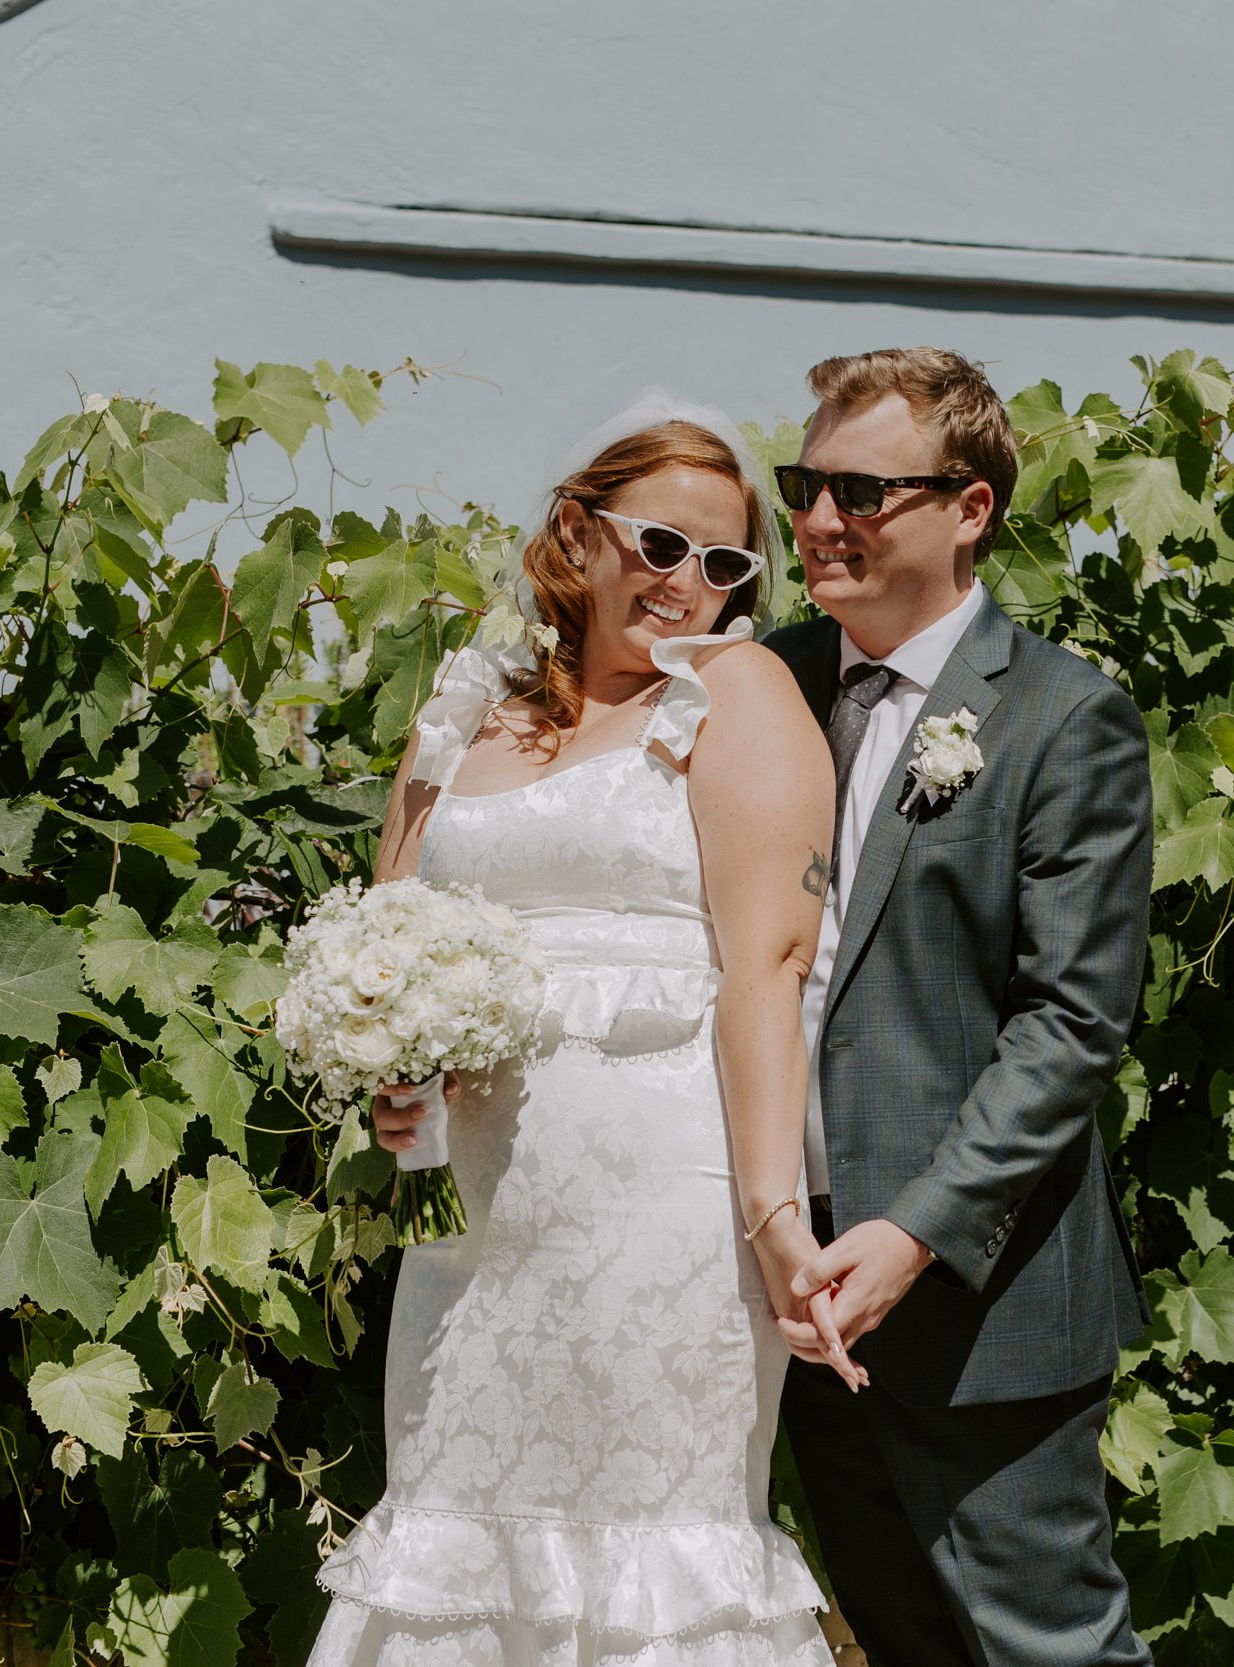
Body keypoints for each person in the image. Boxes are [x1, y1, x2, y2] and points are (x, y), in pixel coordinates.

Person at [312, 394, 847, 1667]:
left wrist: (776, 1217)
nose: (689, 585)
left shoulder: (735, 690)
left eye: (726, 566)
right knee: (462, 1518)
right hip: (484, 1206)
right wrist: (396, 1084)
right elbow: (391, 930)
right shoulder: (465, 704)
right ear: (577, 529)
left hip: (662, 1194)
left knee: (651, 1542)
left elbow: (771, 962)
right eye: (661, 544)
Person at [764, 348, 1156, 1665]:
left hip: (978, 1306)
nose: (821, 520)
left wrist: (912, 1234)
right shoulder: (767, 686)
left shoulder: (1062, 716)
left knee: (1051, 1651)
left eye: (861, 492)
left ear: (970, 506)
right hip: (795, 1286)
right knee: (903, 1639)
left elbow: (1071, 1026)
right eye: (806, 485)